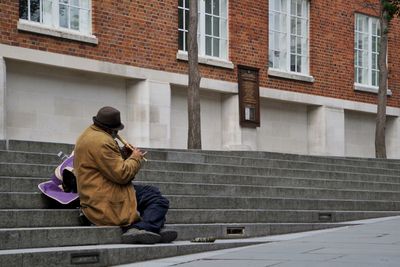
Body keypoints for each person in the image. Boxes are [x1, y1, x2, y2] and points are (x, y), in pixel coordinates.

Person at [74, 106, 177, 244]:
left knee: (152, 192)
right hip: (105, 198)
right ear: (111, 129)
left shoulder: (88, 134)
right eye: (116, 131)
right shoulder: (103, 141)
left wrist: (123, 154)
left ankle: (153, 227)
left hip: (101, 191)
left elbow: (105, 164)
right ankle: (142, 228)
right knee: (158, 200)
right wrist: (135, 158)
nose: (117, 134)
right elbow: (122, 174)